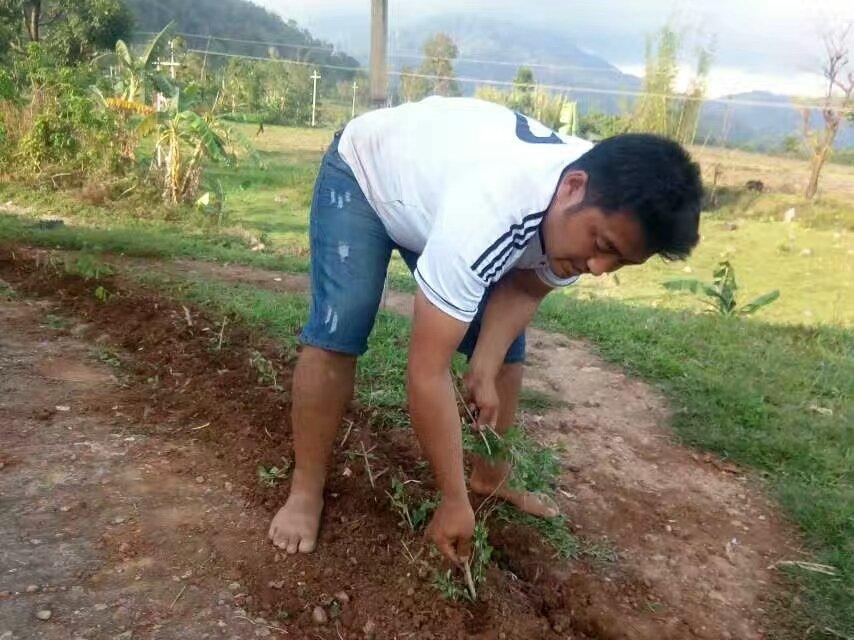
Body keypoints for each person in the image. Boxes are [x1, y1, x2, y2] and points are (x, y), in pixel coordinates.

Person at [268, 96, 702, 563]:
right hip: (368, 176)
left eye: (619, 260)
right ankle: (305, 491)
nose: (598, 267)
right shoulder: (493, 209)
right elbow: (426, 372)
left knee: (507, 350)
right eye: (601, 246)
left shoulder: (594, 205)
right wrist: (452, 503)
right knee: (341, 327)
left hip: (439, 195)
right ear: (573, 187)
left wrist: (486, 361)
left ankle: (491, 478)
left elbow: (526, 288)